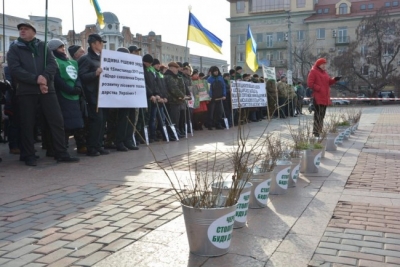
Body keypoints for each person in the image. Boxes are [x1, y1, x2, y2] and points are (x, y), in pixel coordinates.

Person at [7, 22, 79, 166]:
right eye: (20, 29)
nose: (22, 31)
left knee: (57, 121)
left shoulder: (43, 46)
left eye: (26, 29)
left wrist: (44, 78)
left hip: (47, 89)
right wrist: (36, 79)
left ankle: (61, 152)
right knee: (27, 123)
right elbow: (15, 69)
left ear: (33, 31)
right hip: (27, 91)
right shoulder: (14, 48)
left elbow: (53, 65)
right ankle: (28, 154)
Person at [48, 39, 85, 153]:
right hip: (63, 96)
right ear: (53, 50)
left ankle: (82, 146)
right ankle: (62, 148)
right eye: (60, 47)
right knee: (65, 124)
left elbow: (77, 76)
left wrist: (78, 87)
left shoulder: (71, 62)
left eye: (63, 47)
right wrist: (69, 89)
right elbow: (57, 79)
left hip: (75, 96)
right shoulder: (54, 62)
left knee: (78, 123)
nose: (63, 49)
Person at [78, 33, 109, 156]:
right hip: (92, 95)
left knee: (102, 121)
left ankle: (98, 145)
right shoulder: (86, 59)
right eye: (101, 42)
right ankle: (91, 147)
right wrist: (94, 74)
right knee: (96, 121)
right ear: (94, 44)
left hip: (103, 95)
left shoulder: (102, 58)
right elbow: (81, 77)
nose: (102, 45)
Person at [307, 58, 339, 137]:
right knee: (318, 116)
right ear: (319, 65)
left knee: (322, 116)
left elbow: (328, 82)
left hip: (325, 97)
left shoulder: (325, 73)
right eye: (323, 64)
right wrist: (319, 88)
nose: (325, 66)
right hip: (318, 98)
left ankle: (319, 131)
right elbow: (310, 83)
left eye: (325, 64)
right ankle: (316, 132)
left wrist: (334, 79)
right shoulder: (313, 71)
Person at [164, 62, 186, 137]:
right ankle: (172, 133)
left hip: (176, 101)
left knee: (176, 118)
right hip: (172, 101)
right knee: (172, 119)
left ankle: (176, 132)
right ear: (172, 68)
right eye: (176, 68)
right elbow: (173, 88)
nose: (177, 70)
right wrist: (182, 96)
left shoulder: (174, 76)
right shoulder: (168, 76)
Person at [207, 66, 226, 130]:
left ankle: (218, 124)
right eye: (215, 71)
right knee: (211, 112)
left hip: (220, 97)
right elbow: (209, 89)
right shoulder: (209, 79)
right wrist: (211, 96)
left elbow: (224, 87)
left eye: (217, 71)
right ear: (212, 72)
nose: (216, 72)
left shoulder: (220, 78)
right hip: (213, 98)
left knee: (220, 112)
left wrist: (224, 95)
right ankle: (210, 124)